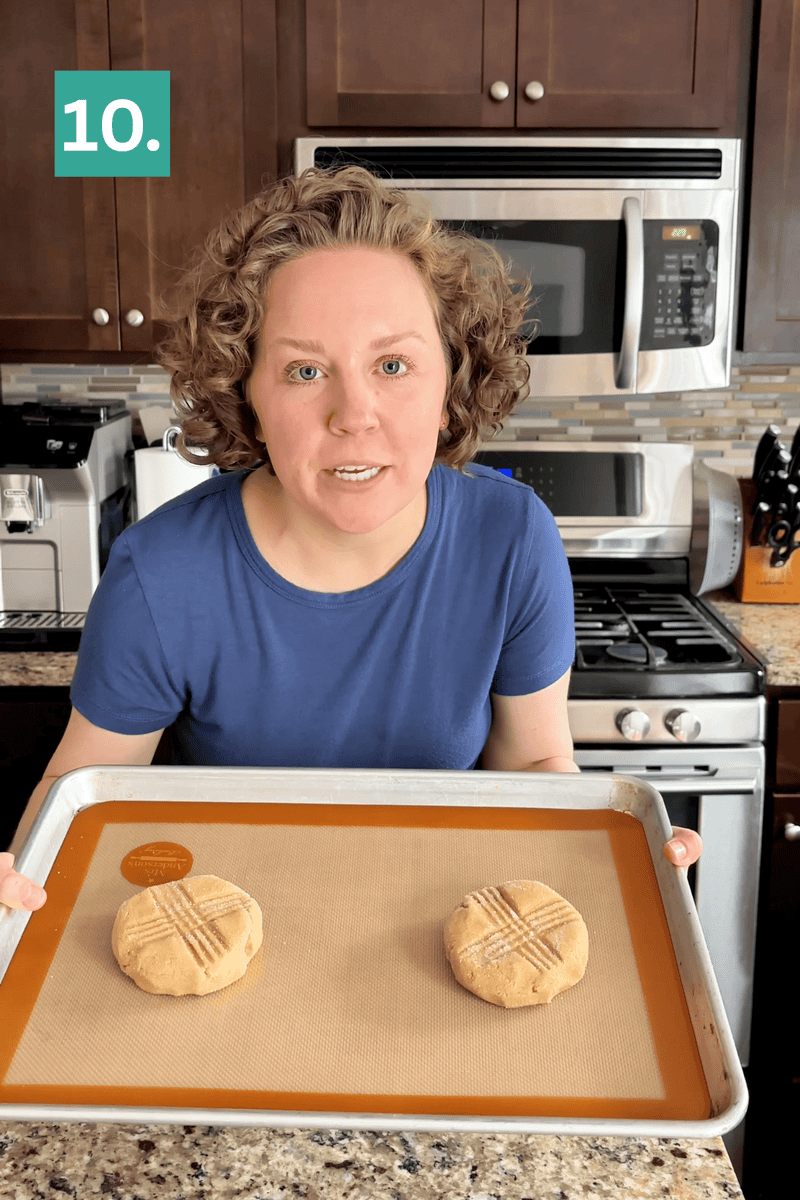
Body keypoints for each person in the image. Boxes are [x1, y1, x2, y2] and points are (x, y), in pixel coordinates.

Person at [0, 166, 701, 912]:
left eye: (393, 364)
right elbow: (83, 799)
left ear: (450, 384)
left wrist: (613, 867)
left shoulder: (511, 539)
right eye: (305, 370)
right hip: (232, 936)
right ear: (248, 395)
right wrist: (21, 884)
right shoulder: (162, 574)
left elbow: (531, 759)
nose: (354, 414)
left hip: (446, 925)